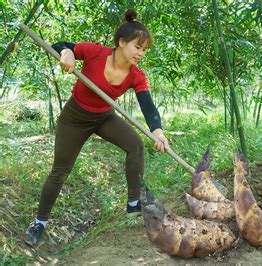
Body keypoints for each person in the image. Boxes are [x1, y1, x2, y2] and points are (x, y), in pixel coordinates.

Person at [24, 9, 169, 247]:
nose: (141, 53)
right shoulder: (94, 52)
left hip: (104, 117)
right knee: (60, 171)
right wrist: (67, 52)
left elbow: (148, 107)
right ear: (122, 42)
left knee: (135, 145)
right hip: (75, 118)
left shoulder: (136, 76)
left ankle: (134, 202)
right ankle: (40, 222)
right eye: (137, 47)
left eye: (144, 50)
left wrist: (158, 130)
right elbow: (60, 44)